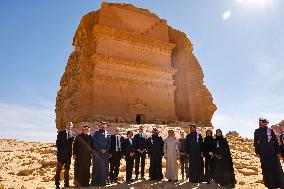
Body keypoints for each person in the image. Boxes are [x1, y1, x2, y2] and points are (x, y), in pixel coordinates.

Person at [254, 118, 284, 189]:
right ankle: (270, 185)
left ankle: (281, 183)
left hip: (272, 152)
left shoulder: (270, 130)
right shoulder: (257, 131)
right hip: (263, 153)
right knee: (266, 168)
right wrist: (257, 152)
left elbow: (275, 141)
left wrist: (278, 151)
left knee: (276, 167)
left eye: (265, 122)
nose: (264, 124)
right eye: (262, 122)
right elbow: (256, 142)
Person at [91, 121, 111, 186]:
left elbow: (109, 143)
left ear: (105, 126)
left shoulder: (107, 133)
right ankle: (95, 182)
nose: (103, 126)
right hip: (97, 153)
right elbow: (94, 143)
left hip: (105, 154)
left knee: (104, 167)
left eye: (104, 125)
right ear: (99, 126)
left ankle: (104, 182)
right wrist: (100, 149)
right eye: (101, 125)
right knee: (97, 167)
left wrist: (106, 150)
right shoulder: (96, 133)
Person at [55, 122, 75, 189]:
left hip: (68, 156)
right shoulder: (61, 133)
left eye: (71, 125)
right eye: (68, 125)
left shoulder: (73, 134)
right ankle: (57, 185)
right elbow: (57, 143)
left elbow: (72, 145)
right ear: (66, 125)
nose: (70, 126)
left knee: (67, 170)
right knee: (58, 170)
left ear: (72, 126)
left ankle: (66, 184)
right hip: (61, 155)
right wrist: (60, 152)